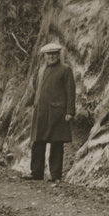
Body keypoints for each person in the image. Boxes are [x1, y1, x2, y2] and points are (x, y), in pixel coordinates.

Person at [27, 41, 76, 181]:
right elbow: (37, 89)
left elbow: (70, 92)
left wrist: (70, 111)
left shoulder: (65, 70)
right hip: (41, 111)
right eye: (49, 54)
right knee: (37, 142)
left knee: (56, 143)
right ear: (44, 56)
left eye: (55, 54)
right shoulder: (41, 70)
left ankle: (56, 175)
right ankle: (36, 173)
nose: (52, 56)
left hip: (57, 112)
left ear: (59, 55)